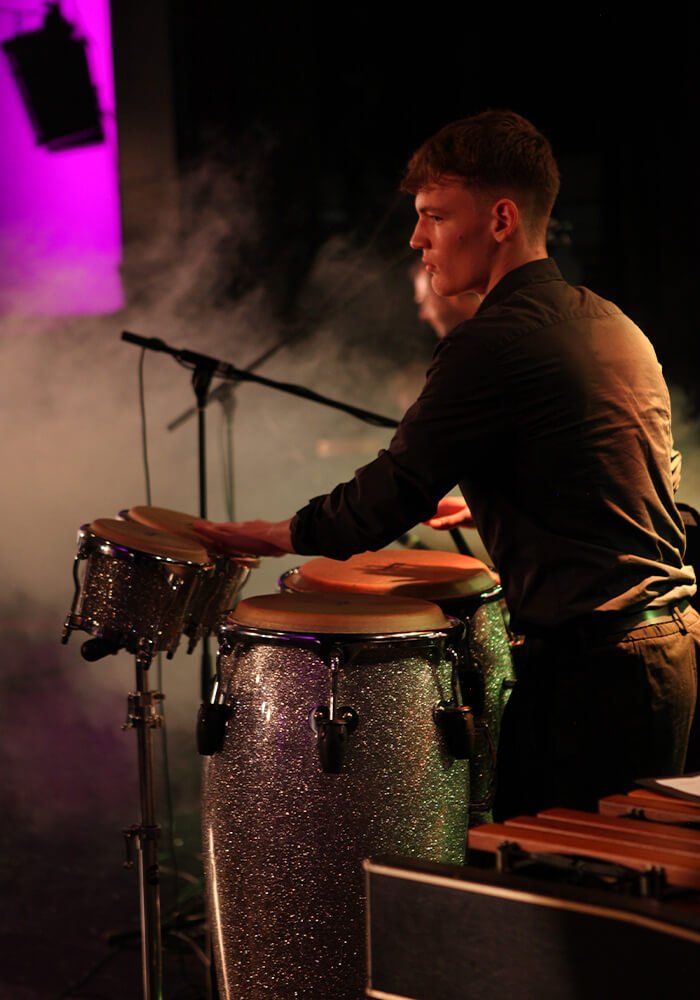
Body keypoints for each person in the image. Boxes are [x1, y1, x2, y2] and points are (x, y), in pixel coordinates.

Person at [196, 110, 699, 819]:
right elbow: (644, 478)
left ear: (500, 219)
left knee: (551, 879)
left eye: (434, 215)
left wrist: (280, 534)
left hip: (594, 676)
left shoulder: (489, 343)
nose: (417, 238)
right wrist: (515, 495)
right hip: (665, 654)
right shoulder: (612, 323)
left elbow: (393, 491)